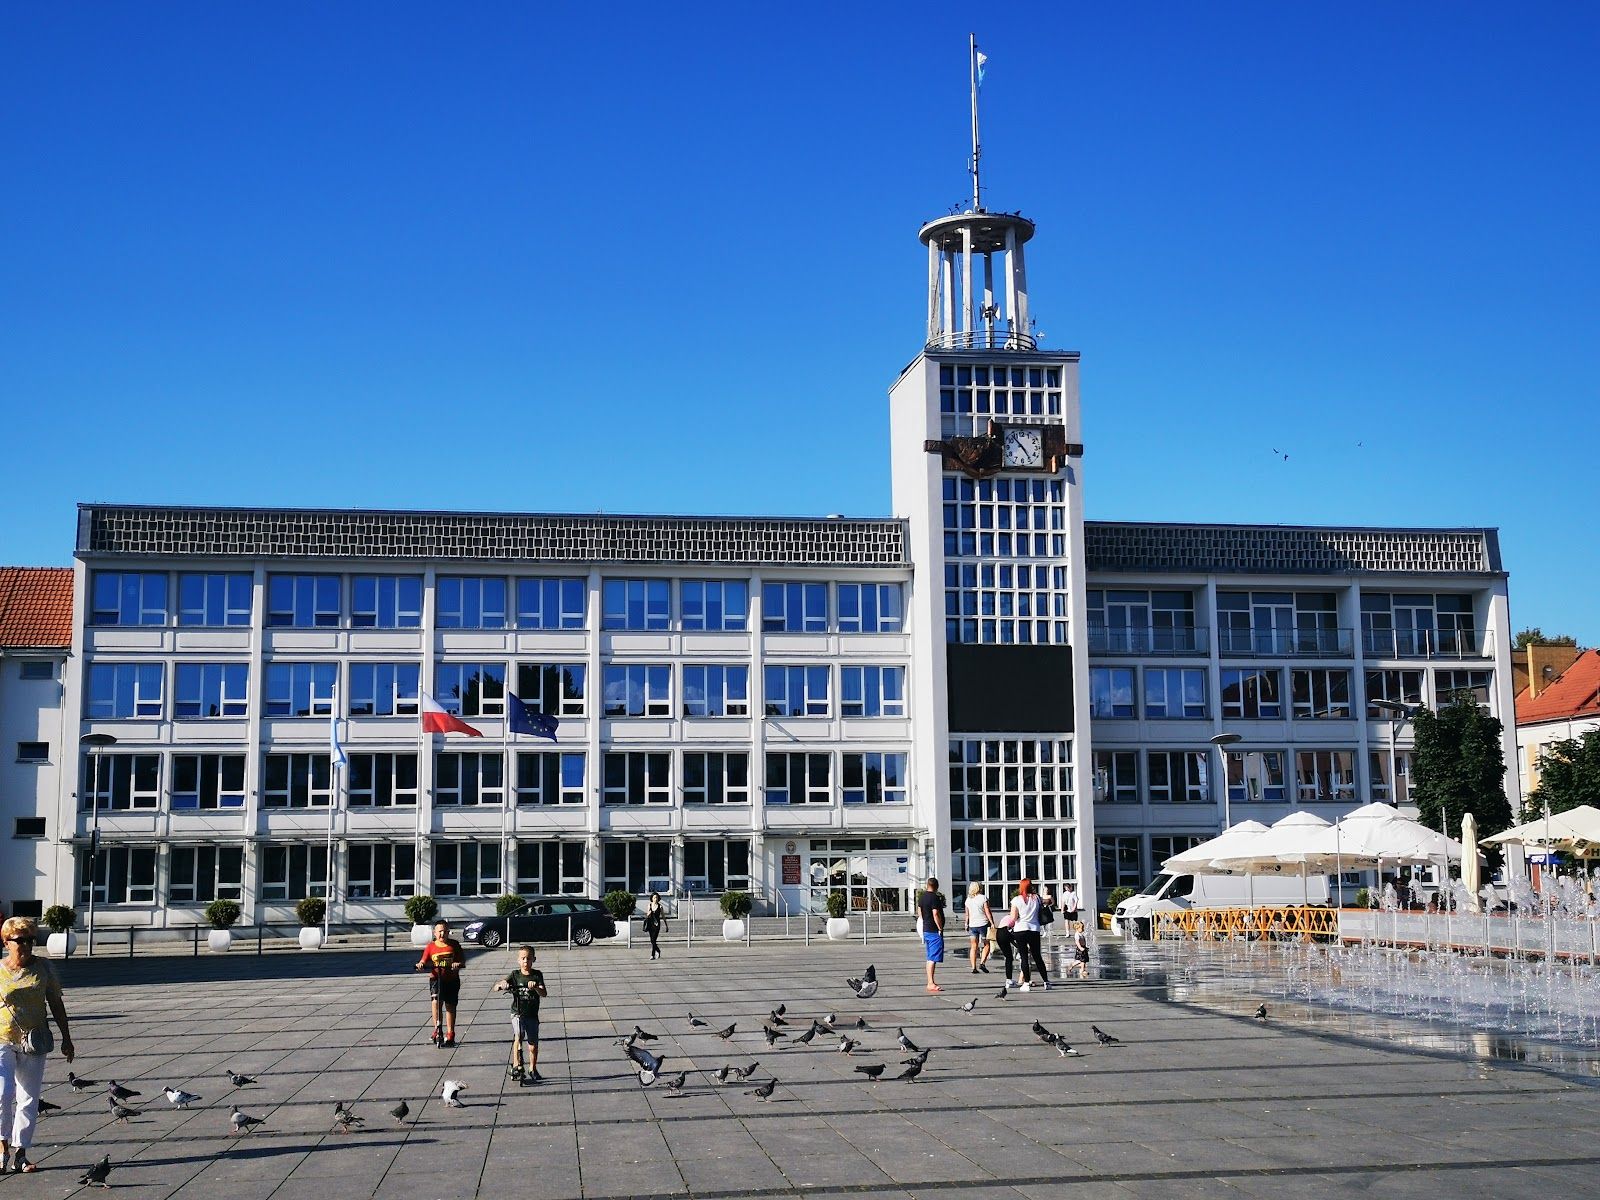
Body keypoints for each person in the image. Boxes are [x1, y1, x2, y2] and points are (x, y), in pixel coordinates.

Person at [0, 916, 74, 1174]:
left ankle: (20, 1154)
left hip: (34, 1040)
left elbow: (56, 1003)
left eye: (31, 939)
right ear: (6, 942)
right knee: (2, 1094)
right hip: (2, 1039)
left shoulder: (44, 968)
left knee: (28, 1098)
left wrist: (67, 1038)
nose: (27, 945)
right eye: (20, 940)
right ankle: (2, 1150)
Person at [492, 945, 547, 1084]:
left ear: (533, 959)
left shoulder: (537, 974)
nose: (525, 961)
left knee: (533, 1045)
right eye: (523, 959)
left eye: (528, 959)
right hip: (517, 1012)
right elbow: (499, 985)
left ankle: (532, 1068)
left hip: (532, 1014)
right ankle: (516, 1065)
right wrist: (502, 985)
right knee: (519, 1036)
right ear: (518, 960)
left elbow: (544, 993)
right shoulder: (515, 974)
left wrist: (535, 987)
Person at [415, 919, 466, 1048]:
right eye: (439, 932)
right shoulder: (431, 946)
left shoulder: (454, 945)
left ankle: (450, 1033)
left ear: (448, 932)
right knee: (436, 1001)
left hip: (451, 979)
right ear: (435, 932)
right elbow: (423, 960)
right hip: (436, 979)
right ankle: (437, 1029)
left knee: (450, 1006)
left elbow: (462, 960)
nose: (442, 934)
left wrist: (457, 964)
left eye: (444, 931)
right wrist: (421, 965)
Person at [1009, 878, 1050, 991]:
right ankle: (1046, 982)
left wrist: (1008, 926)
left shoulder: (1016, 900)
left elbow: (1013, 918)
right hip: (1034, 930)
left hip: (1020, 930)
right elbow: (1049, 901)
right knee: (1037, 956)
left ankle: (1026, 983)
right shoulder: (1036, 898)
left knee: (1024, 957)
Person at [918, 877, 946, 993]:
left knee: (930, 957)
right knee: (932, 958)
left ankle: (930, 981)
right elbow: (935, 913)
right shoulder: (934, 898)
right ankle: (930, 983)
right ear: (936, 886)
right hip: (934, 931)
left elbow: (919, 911)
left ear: (927, 885)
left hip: (926, 929)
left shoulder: (922, 897)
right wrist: (940, 927)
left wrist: (923, 919)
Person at [963, 882, 993, 974]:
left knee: (973, 946)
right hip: (983, 924)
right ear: (979, 888)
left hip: (972, 925)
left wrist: (966, 924)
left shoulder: (968, 900)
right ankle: (982, 963)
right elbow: (987, 911)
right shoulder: (983, 898)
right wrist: (992, 922)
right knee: (987, 944)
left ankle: (973, 967)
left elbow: (967, 914)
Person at [993, 909, 1017, 987]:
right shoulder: (1015, 917)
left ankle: (1008, 980)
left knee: (1008, 957)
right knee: (1010, 958)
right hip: (1005, 932)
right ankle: (1009, 980)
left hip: (999, 934)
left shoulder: (1006, 917)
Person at [642, 893, 667, 960]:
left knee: (654, 940)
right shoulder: (649, 905)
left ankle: (652, 955)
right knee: (652, 940)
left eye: (656, 898)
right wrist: (648, 914)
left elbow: (663, 916)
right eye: (654, 898)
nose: (655, 899)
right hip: (650, 924)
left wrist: (666, 925)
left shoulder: (660, 906)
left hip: (656, 925)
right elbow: (647, 916)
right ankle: (658, 950)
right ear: (652, 898)